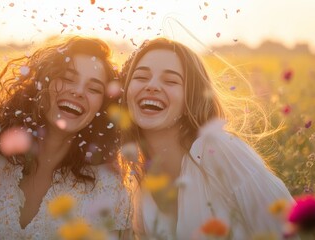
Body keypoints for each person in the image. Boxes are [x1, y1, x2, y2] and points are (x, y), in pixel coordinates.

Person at [0, 35, 131, 239]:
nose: (78, 91)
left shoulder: (106, 186)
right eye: (67, 78)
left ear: (101, 107)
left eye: (94, 88)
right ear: (41, 81)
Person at [119, 38, 296, 239]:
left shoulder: (219, 149)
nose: (152, 86)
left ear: (191, 98)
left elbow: (289, 230)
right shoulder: (135, 180)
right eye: (141, 77)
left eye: (170, 81)